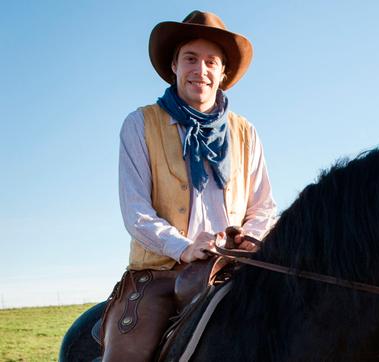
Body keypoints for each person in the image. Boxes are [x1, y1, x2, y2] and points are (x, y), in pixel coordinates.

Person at [100, 10, 277, 361]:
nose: (201, 71)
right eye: (191, 59)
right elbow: (135, 212)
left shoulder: (246, 132)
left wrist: (247, 239)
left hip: (233, 269)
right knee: (127, 353)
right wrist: (184, 247)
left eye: (212, 62)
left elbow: (264, 206)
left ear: (223, 73)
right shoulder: (140, 124)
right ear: (174, 67)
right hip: (162, 272)